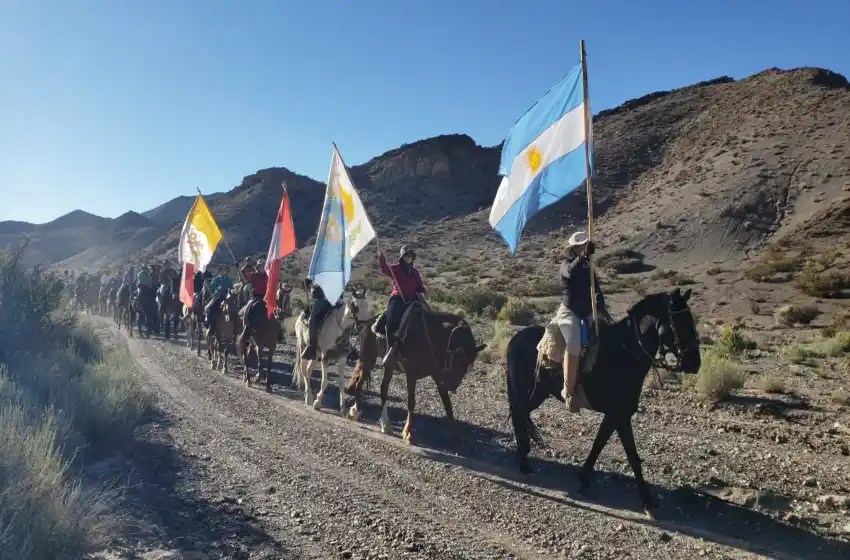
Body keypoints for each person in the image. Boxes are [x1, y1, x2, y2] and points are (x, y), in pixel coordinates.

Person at [557, 231, 606, 413]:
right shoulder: (565, 265)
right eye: (580, 246)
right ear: (573, 249)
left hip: (588, 312)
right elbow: (571, 273)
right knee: (573, 345)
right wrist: (585, 255)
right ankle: (568, 391)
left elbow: (596, 287)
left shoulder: (588, 268)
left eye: (585, 245)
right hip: (570, 313)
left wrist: (600, 300)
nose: (583, 248)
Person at [376, 245, 427, 362]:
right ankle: (391, 347)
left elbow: (419, 285)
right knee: (392, 320)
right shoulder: (396, 269)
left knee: (427, 313)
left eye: (410, 255)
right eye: (406, 255)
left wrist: (423, 289)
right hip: (398, 298)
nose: (408, 257)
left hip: (413, 299)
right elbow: (385, 268)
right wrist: (382, 256)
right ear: (402, 257)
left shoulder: (415, 272)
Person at [299, 278, 332, 360]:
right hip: (319, 308)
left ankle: (346, 344)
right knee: (312, 321)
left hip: (327, 308)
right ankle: (312, 346)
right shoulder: (314, 282)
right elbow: (304, 317)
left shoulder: (326, 279)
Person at [238, 259, 269, 342]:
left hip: (265, 297)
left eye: (263, 266)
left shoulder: (267, 276)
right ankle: (245, 331)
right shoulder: (253, 275)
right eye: (260, 266)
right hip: (255, 296)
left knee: (275, 312)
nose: (262, 268)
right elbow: (243, 276)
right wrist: (239, 270)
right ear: (257, 267)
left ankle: (279, 333)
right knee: (247, 311)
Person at [204, 264, 234, 331]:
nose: (223, 271)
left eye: (225, 270)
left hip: (226, 298)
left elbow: (231, 288)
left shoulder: (229, 280)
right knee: (211, 309)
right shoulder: (216, 279)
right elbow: (211, 288)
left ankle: (233, 328)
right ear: (220, 271)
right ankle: (208, 324)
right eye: (222, 270)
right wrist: (217, 289)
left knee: (233, 309)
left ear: (227, 271)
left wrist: (231, 291)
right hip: (217, 297)